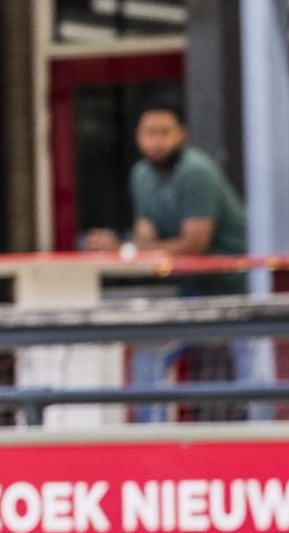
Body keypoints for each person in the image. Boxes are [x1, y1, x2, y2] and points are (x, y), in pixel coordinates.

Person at [85, 101, 253, 419]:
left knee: (253, 363)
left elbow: (194, 245)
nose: (157, 141)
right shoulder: (141, 175)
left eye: (165, 132)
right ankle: (153, 439)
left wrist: (128, 248)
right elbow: (146, 239)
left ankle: (264, 437)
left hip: (239, 285)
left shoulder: (195, 170)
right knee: (150, 349)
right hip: (196, 289)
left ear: (182, 134)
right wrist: (122, 247)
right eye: (150, 132)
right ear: (137, 137)